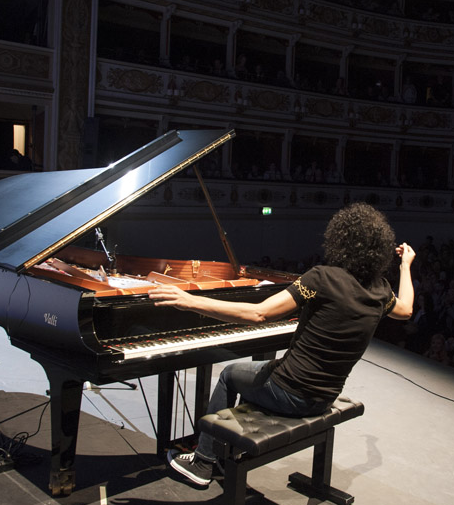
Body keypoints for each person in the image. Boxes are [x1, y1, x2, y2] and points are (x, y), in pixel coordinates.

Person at [151, 203, 415, 487]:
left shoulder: (322, 278)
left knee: (229, 375)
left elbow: (259, 314)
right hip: (323, 399)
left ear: (341, 241)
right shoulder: (381, 290)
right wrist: (405, 266)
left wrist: (190, 301)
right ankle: (227, 454)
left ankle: (203, 462)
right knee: (257, 374)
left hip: (289, 393)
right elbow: (407, 310)